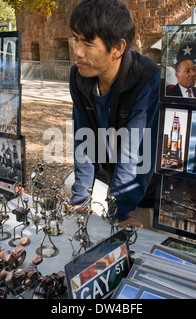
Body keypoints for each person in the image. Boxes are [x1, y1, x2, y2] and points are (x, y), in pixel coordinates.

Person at [68, 0, 160, 228]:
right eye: (75, 39)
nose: (77, 51)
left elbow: (135, 153)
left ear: (118, 48)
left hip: (145, 190)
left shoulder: (147, 79)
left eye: (88, 43)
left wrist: (120, 212)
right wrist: (80, 199)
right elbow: (83, 138)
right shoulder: (79, 76)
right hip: (110, 178)